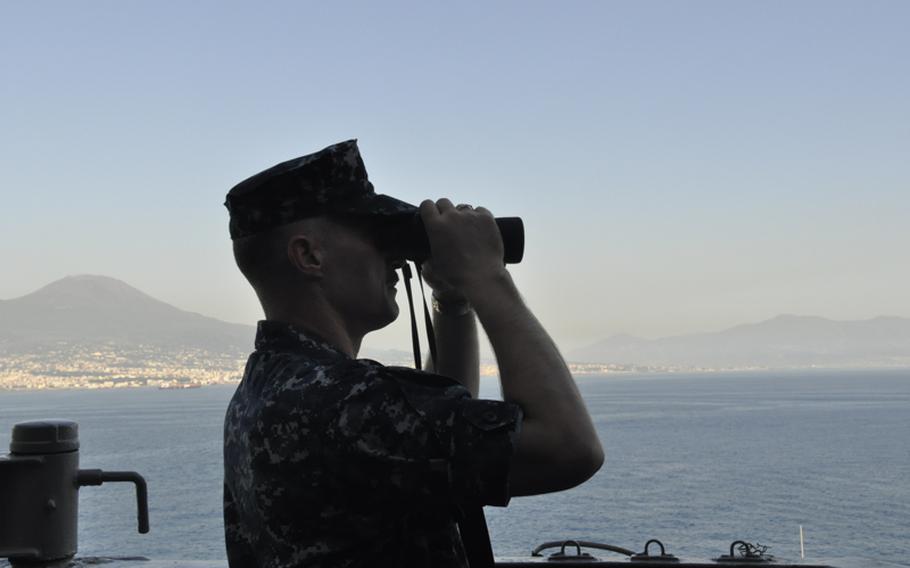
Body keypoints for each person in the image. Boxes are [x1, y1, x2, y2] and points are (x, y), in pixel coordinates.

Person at [222, 139, 603, 568]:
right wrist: (488, 278)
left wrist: (453, 303)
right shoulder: (340, 401)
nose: (396, 257)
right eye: (377, 235)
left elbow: (433, 430)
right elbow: (569, 448)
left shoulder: (272, 385)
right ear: (309, 255)